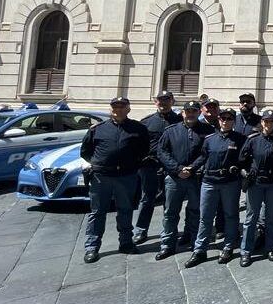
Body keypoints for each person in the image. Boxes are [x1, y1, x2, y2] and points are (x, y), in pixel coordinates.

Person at [80, 97, 150, 263]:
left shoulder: (138, 129)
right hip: (101, 177)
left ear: (128, 109)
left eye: (121, 107)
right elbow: (85, 151)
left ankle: (126, 243)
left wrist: (132, 164)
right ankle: (92, 247)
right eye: (115, 107)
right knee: (97, 212)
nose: (117, 110)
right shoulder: (97, 129)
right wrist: (101, 163)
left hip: (126, 176)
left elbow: (144, 150)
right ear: (110, 109)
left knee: (125, 210)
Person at [186, 108, 246, 268]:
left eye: (229, 118)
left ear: (234, 121)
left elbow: (245, 159)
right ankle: (200, 250)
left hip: (229, 182)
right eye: (222, 118)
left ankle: (228, 246)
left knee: (230, 215)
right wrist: (191, 167)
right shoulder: (210, 139)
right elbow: (203, 157)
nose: (225, 121)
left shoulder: (240, 139)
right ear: (218, 120)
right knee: (205, 217)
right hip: (209, 182)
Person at [154, 101, 213, 261]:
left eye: (194, 111)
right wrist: (178, 169)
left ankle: (194, 241)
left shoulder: (207, 131)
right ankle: (167, 245)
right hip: (174, 178)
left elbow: (207, 153)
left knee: (195, 211)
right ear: (182, 113)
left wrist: (192, 168)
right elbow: (162, 152)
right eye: (188, 111)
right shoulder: (171, 130)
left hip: (196, 177)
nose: (191, 114)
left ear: (199, 113)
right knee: (170, 213)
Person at [238, 109, 273, 267]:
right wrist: (246, 173)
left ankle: (271, 248)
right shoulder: (253, 139)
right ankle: (246, 251)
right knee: (251, 217)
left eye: (272, 121)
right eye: (266, 121)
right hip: (256, 183)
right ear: (262, 122)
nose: (269, 124)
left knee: (271, 217)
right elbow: (242, 159)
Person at [134, 90, 183, 245]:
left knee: (170, 202)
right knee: (147, 199)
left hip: (171, 167)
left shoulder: (180, 121)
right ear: (155, 102)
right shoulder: (146, 122)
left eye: (167, 100)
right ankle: (141, 230)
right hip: (150, 166)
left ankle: (169, 231)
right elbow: (137, 144)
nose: (163, 103)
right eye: (160, 100)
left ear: (172, 101)